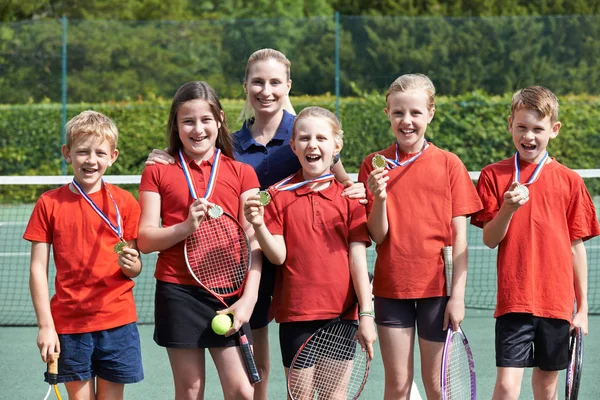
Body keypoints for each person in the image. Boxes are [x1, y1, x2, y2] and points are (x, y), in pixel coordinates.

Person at [144, 48, 366, 399]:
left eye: (275, 82)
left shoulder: (306, 130)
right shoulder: (234, 143)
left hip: (301, 268)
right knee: (256, 369)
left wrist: (358, 189)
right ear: (245, 85)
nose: (266, 90)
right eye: (258, 82)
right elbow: (197, 158)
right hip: (250, 260)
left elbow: (338, 179)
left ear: (288, 85)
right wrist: (164, 155)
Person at [470, 86, 600, 400]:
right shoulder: (493, 175)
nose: (529, 136)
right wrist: (508, 208)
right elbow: (490, 239)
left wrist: (581, 309)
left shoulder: (570, 181)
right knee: (506, 387)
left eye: (538, 129)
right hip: (513, 302)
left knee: (546, 388)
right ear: (510, 126)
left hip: (556, 306)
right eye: (522, 127)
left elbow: (575, 247)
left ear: (553, 130)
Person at [358, 74, 482, 399]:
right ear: (387, 113)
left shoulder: (450, 164)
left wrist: (457, 297)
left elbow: (460, 240)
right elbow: (377, 236)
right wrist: (380, 197)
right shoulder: (373, 165)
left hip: (436, 295)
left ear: (430, 113)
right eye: (398, 113)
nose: (407, 121)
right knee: (397, 386)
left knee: (437, 388)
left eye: (415, 112)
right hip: (390, 290)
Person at [137, 81, 262, 400]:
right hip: (177, 291)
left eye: (205, 120)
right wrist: (185, 227)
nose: (197, 129)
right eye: (187, 121)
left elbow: (253, 241)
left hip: (229, 293)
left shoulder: (242, 172)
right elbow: (146, 239)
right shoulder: (157, 171)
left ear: (219, 119)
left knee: (242, 392)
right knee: (190, 390)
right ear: (175, 125)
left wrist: (248, 301)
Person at [243, 106, 377, 393]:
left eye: (321, 138)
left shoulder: (350, 197)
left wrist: (366, 314)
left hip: (342, 316)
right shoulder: (277, 196)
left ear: (336, 146)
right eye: (303, 138)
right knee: (300, 396)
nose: (312, 145)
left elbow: (357, 259)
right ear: (293, 146)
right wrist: (258, 225)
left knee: (334, 395)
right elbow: (278, 255)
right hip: (295, 314)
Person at [24, 110, 144, 400]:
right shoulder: (48, 203)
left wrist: (134, 265)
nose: (91, 160)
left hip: (118, 322)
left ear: (113, 156)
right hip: (70, 324)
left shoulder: (125, 202)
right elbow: (37, 269)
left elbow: (134, 265)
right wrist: (45, 325)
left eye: (100, 153)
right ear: (67, 153)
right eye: (82, 152)